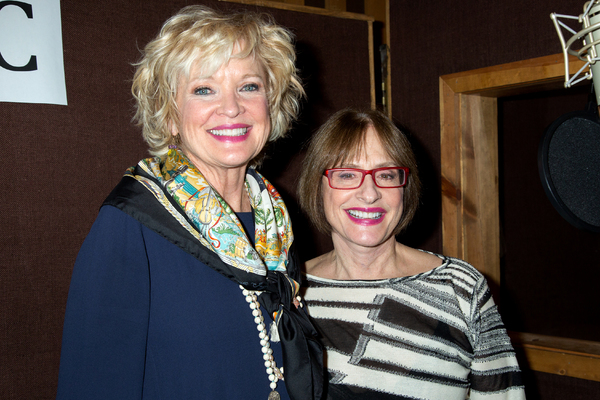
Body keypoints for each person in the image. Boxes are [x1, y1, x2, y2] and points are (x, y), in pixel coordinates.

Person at [56, 6, 323, 400]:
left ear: (273, 102)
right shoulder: (131, 224)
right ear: (169, 115)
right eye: (204, 89)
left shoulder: (275, 219)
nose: (231, 107)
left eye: (249, 86)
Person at [298, 108, 525, 399]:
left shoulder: (460, 288)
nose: (369, 193)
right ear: (318, 187)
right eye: (346, 174)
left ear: (405, 187)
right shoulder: (289, 291)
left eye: (387, 174)